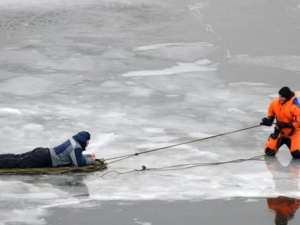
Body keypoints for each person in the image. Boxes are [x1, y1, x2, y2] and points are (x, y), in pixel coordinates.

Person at [0, 131, 96, 168]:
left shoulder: (73, 141)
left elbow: (75, 157)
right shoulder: (76, 147)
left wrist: (88, 156)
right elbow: (78, 163)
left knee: (17, 157)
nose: (88, 143)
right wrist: (92, 160)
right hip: (43, 158)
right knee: (18, 163)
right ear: (84, 140)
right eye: (88, 140)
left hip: (42, 153)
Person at [260, 86, 300, 158]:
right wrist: (267, 121)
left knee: (297, 155)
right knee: (269, 152)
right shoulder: (274, 103)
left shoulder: (295, 107)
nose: (280, 98)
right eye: (279, 96)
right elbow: (271, 118)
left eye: (282, 97)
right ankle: (272, 137)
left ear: (287, 97)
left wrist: (284, 125)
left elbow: (298, 124)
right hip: (279, 132)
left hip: (292, 134)